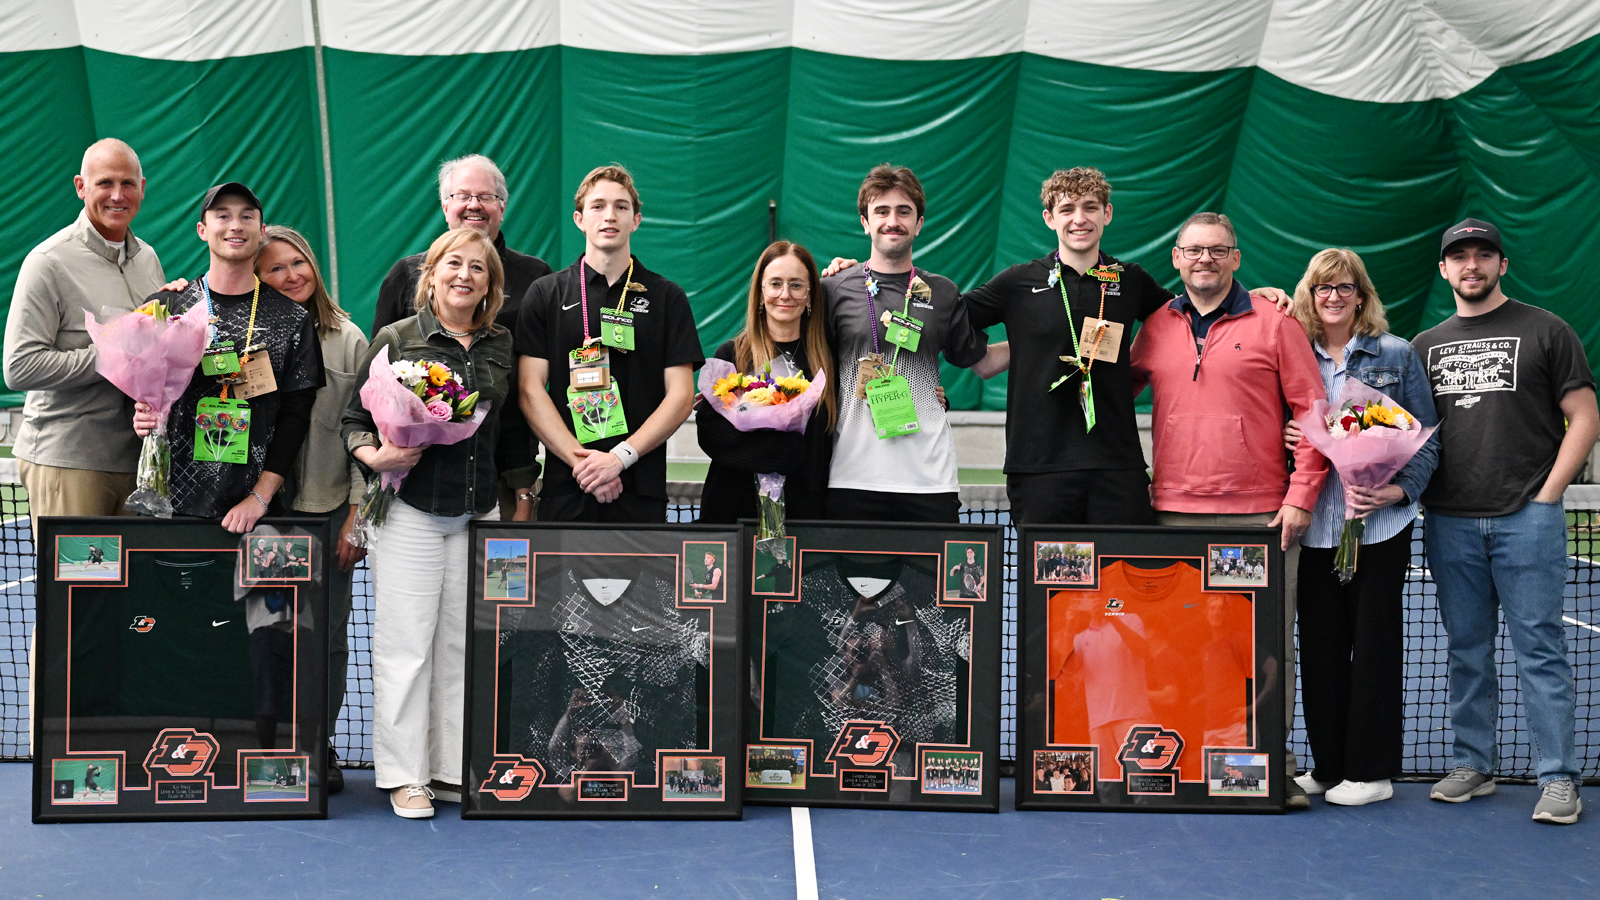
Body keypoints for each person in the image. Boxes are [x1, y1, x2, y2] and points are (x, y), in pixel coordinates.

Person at [1128, 211, 1328, 809]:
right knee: (1174, 646)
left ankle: (1275, 767)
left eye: (1218, 251)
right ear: (1176, 258)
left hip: (1259, 520)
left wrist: (1300, 498)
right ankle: (1179, 758)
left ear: (1236, 258)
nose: (1205, 260)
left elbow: (1313, 413)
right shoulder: (1156, 326)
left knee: (1262, 647)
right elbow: (1106, 394)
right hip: (1171, 516)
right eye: (1194, 251)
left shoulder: (1275, 321)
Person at [1413, 218, 1597, 824]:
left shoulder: (1547, 330)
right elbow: (1407, 434)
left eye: (1482, 255)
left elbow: (1585, 417)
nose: (1472, 265)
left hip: (1528, 519)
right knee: (1466, 650)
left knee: (1540, 650)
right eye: (1459, 257)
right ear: (1444, 270)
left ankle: (1558, 778)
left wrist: (1547, 497)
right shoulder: (1425, 346)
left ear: (1501, 265)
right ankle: (1474, 764)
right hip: (1449, 524)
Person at [342, 226, 517, 819]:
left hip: (480, 512)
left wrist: (520, 496)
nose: (466, 275)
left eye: (479, 268)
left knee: (462, 646)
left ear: (491, 284)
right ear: (432, 274)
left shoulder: (501, 344)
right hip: (409, 512)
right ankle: (404, 775)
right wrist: (376, 456)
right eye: (455, 264)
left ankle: (448, 769)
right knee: (405, 648)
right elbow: (351, 418)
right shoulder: (395, 338)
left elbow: (510, 430)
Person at [1280, 249, 1438, 807]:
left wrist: (1397, 491)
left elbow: (1427, 434)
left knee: (1373, 649)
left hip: (1381, 530)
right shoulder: (1292, 350)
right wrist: (1287, 439)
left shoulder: (1395, 353)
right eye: (1323, 288)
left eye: (1345, 288)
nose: (1333, 297)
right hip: (1316, 529)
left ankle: (1371, 772)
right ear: (1309, 293)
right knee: (1320, 650)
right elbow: (1283, 421)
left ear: (1362, 295)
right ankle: (1328, 765)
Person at [516, 165, 702, 523]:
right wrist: (584, 466)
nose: (609, 216)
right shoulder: (546, 293)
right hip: (568, 486)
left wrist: (619, 458)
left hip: (641, 488)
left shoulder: (667, 297)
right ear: (579, 219)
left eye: (621, 206)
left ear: (636, 220)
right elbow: (529, 390)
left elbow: (680, 396)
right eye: (598, 206)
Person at [132, 183, 323, 531]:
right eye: (223, 216)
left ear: (261, 231)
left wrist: (259, 499)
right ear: (203, 230)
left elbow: (295, 419)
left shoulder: (293, 320)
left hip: (250, 514)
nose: (235, 225)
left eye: (246, 216)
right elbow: (143, 393)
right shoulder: (165, 306)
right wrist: (142, 414)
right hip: (166, 504)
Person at [373, 155, 548, 521]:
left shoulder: (536, 278)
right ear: (445, 205)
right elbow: (376, 389)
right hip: (418, 478)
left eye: (485, 197)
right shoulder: (405, 274)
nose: (474, 205)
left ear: (502, 206)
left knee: (501, 578)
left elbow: (531, 389)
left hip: (504, 478)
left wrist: (523, 488)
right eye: (462, 195)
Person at [5, 138, 164, 523]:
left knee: (130, 585)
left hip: (138, 463)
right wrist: (115, 354)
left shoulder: (148, 258)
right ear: (81, 187)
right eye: (105, 183)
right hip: (71, 462)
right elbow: (19, 367)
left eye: (128, 184)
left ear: (142, 188)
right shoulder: (47, 262)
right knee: (80, 584)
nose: (117, 195)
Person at [821, 165, 989, 523]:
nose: (892, 221)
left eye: (903, 212)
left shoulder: (943, 292)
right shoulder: (833, 289)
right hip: (851, 476)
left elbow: (980, 361)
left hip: (929, 480)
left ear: (919, 223)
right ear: (865, 222)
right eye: (881, 211)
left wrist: (1042, 339)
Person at [696, 241, 836, 523]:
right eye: (775, 284)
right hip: (733, 513)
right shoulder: (732, 355)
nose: (785, 294)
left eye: (796, 285)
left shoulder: (828, 361)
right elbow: (711, 433)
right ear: (760, 294)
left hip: (803, 514)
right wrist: (781, 453)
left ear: (810, 296)